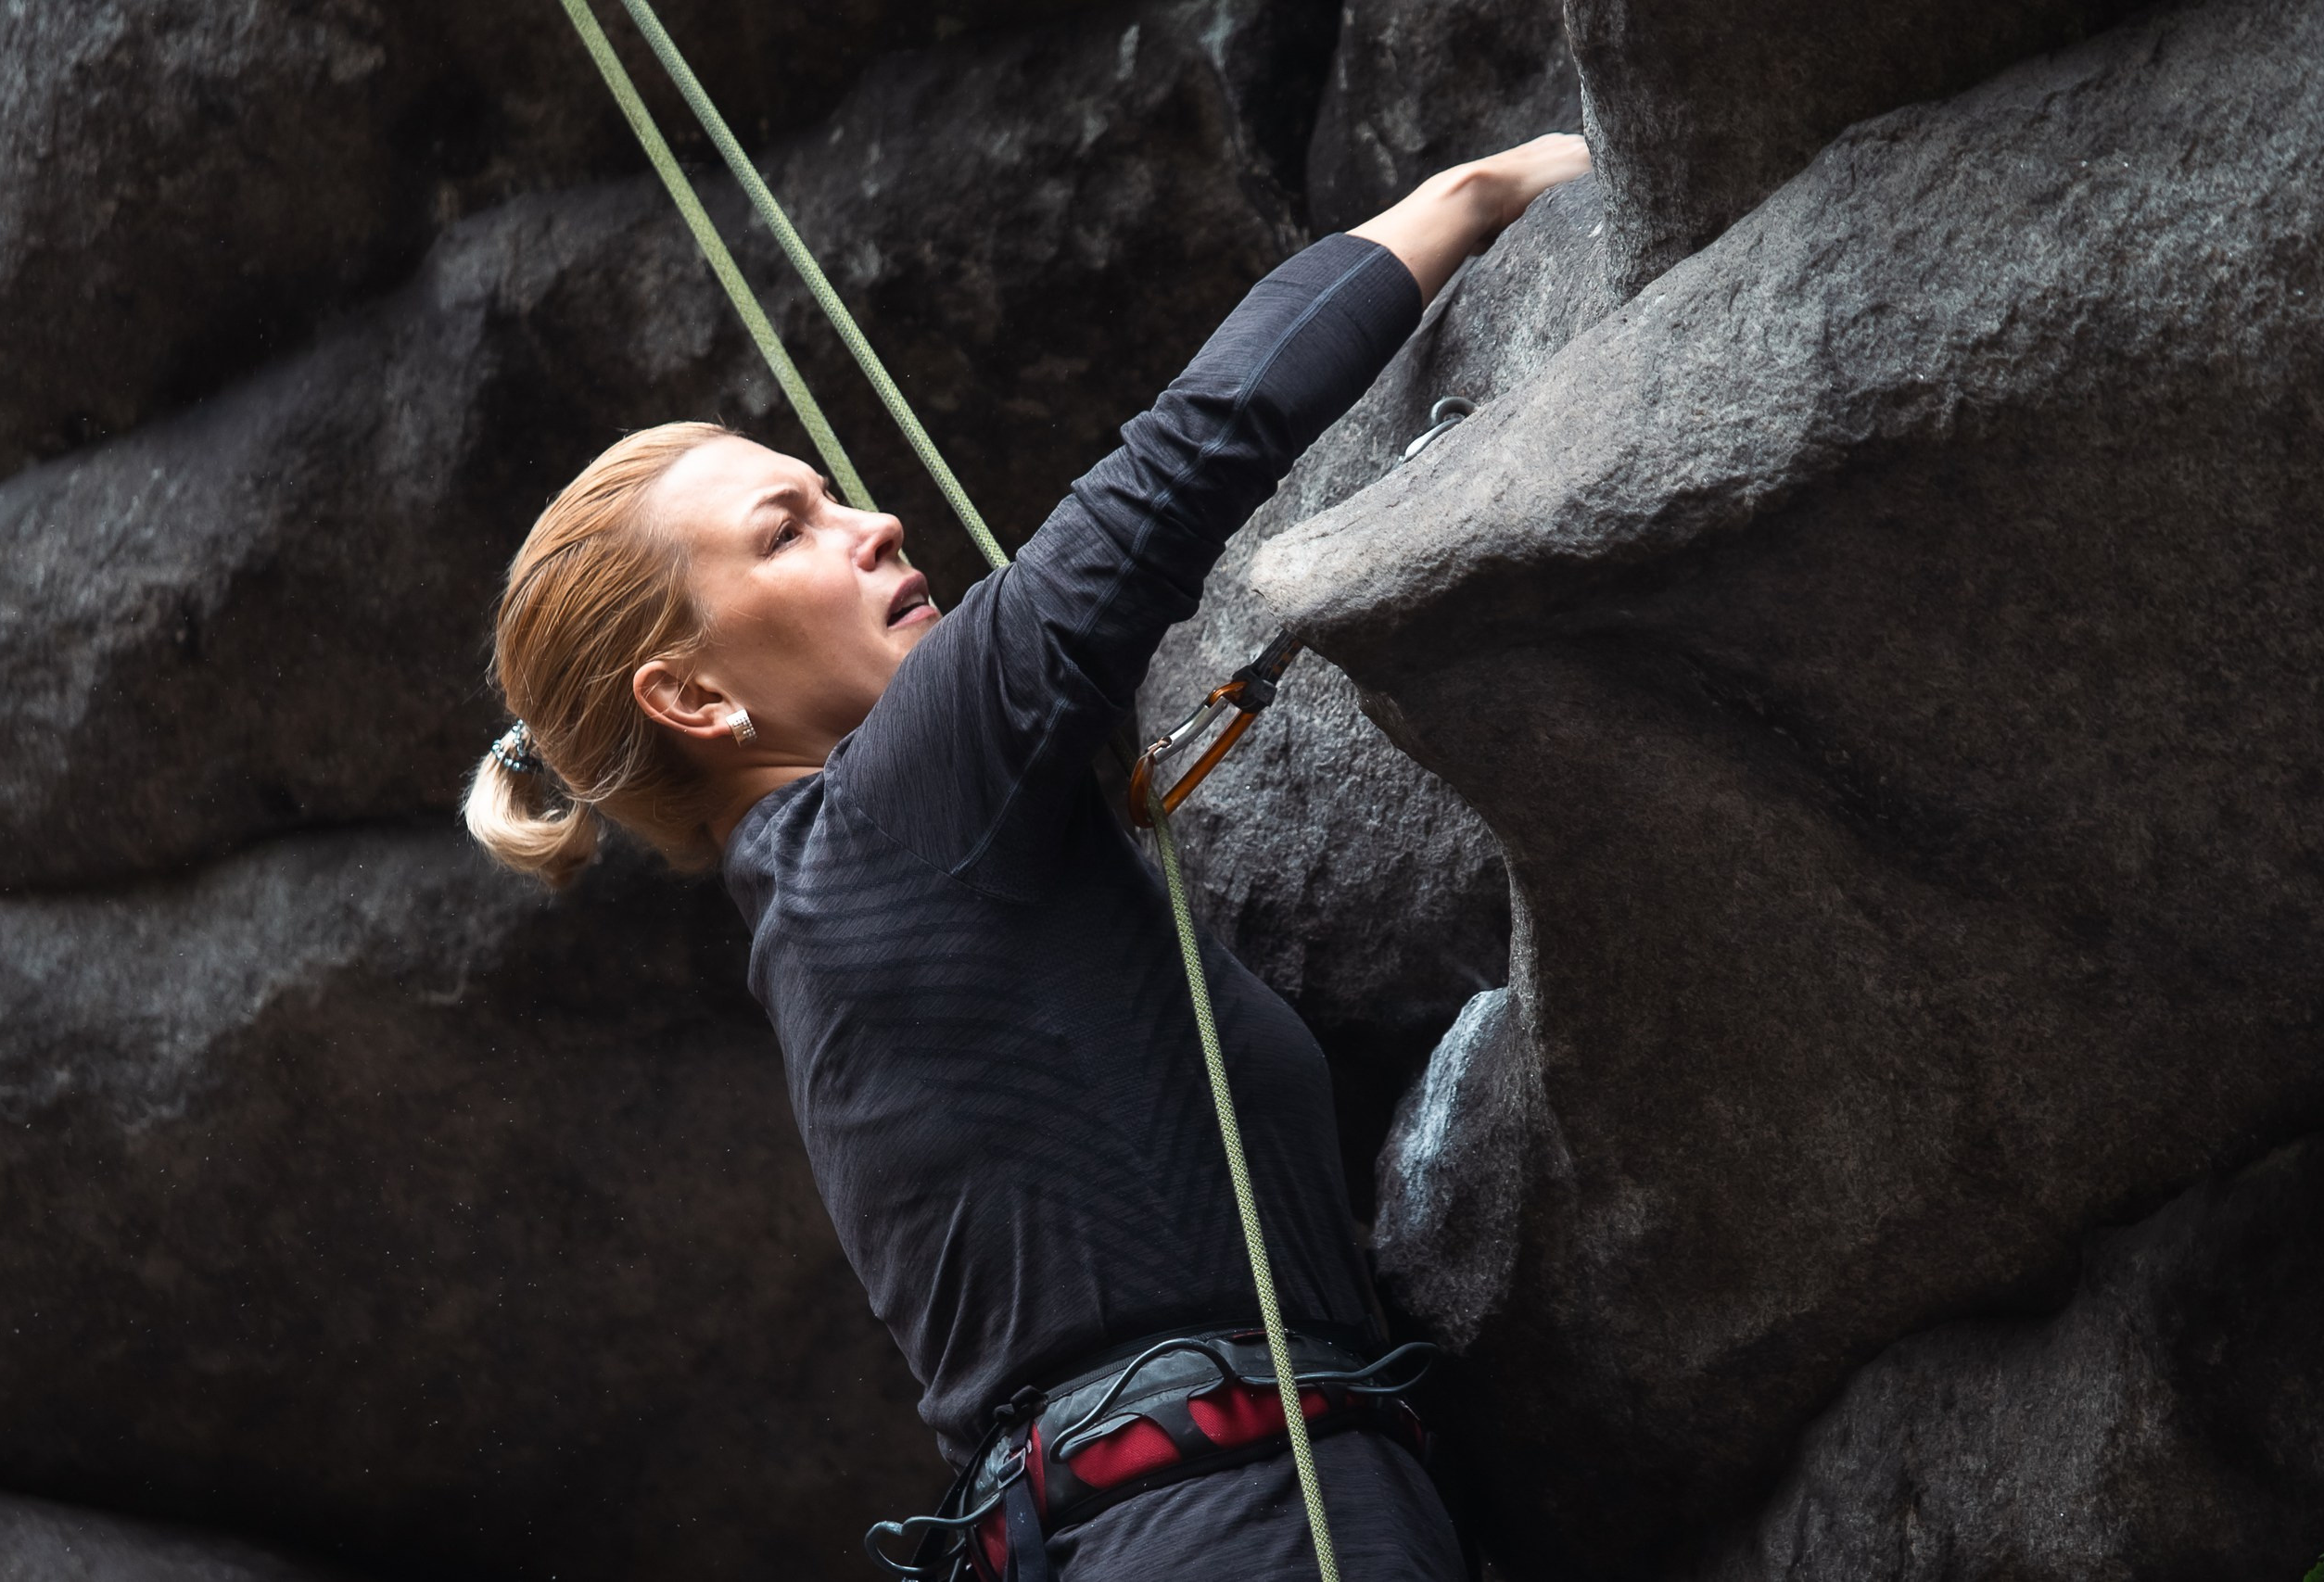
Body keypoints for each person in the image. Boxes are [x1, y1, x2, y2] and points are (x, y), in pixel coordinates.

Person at [466, 133, 1591, 1581]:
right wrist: (1480, 194)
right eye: (787, 529)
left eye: (835, 496)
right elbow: (1189, 452)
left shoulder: (825, 917)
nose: (873, 525)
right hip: (1235, 1524)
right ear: (692, 699)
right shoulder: (891, 810)